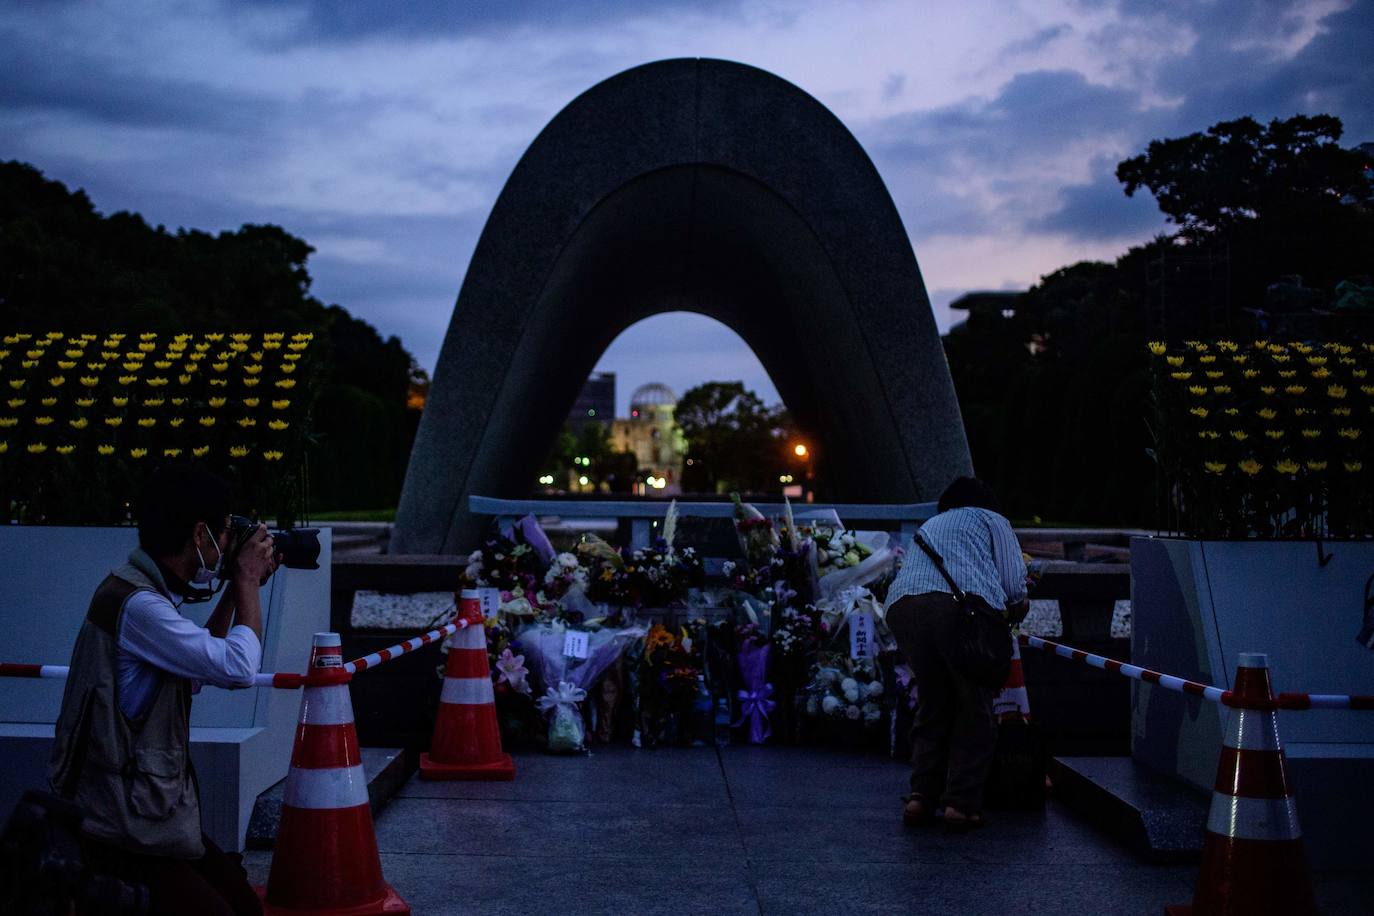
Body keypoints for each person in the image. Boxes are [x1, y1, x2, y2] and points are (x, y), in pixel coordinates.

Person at [48, 464, 276, 915]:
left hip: (148, 814)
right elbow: (237, 667)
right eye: (227, 530)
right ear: (199, 534)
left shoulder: (140, 592)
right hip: (117, 827)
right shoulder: (138, 606)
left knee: (243, 903)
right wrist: (248, 580)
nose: (230, 543)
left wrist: (233, 589)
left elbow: (194, 670)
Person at [885, 476, 1027, 830]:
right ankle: (960, 805)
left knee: (934, 701)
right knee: (974, 706)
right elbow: (1012, 584)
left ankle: (920, 798)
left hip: (903, 607)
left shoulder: (932, 523)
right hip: (957, 613)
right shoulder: (992, 520)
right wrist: (1016, 608)